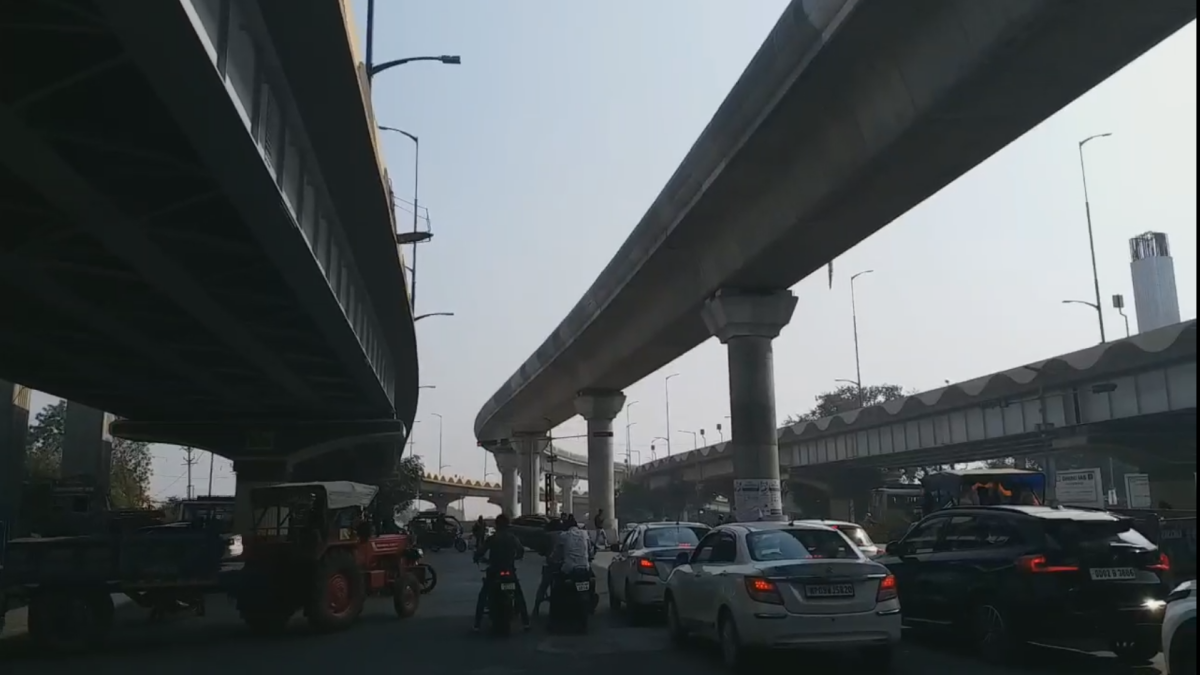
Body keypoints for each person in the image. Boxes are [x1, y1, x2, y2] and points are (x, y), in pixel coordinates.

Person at [472, 513, 530, 632]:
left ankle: (477, 624)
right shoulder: (512, 537)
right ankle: (526, 622)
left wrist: (477, 558)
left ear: (497, 525)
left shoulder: (493, 538)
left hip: (495, 571)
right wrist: (515, 558)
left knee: (483, 595)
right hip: (509, 570)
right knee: (519, 595)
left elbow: (480, 552)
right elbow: (521, 551)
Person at [532, 518, 564, 617]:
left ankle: (536, 608)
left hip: (551, 565)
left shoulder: (547, 536)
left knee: (543, 586)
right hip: (563, 565)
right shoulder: (564, 535)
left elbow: (541, 550)